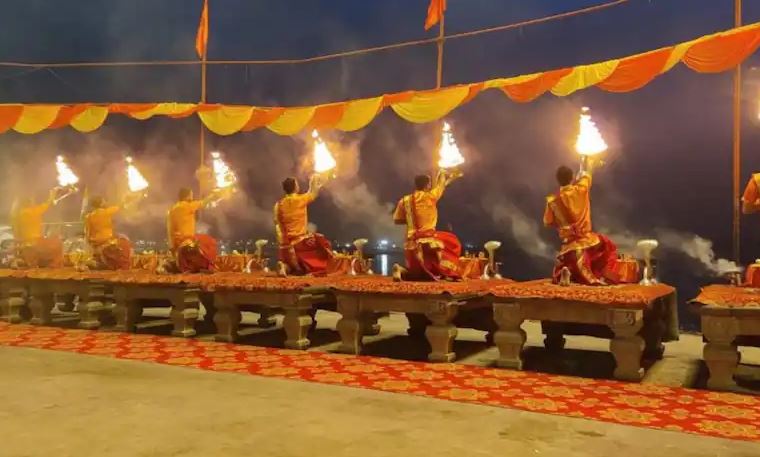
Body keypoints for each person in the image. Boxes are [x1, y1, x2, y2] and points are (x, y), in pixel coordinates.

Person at [544, 164, 624, 285]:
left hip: (569, 245)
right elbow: (586, 175)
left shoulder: (552, 201)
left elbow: (548, 222)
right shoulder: (581, 189)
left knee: (571, 263)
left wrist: (563, 223)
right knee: (607, 246)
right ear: (572, 177)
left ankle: (565, 274)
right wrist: (583, 169)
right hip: (588, 242)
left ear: (558, 180)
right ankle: (603, 276)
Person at [392, 170, 462, 281]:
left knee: (416, 274)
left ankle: (400, 270)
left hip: (411, 242)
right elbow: (441, 186)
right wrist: (443, 174)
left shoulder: (404, 200)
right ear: (427, 185)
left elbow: (397, 220)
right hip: (430, 239)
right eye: (429, 183)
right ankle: (447, 272)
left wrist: (411, 219)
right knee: (452, 242)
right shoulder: (431, 197)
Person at [274, 175, 333, 276]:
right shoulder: (300, 200)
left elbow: (277, 224)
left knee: (294, 268)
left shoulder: (278, 205)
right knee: (321, 241)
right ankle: (313, 267)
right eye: (297, 184)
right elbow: (313, 193)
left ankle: (285, 267)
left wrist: (283, 243)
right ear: (295, 187)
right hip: (299, 245)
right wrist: (313, 180)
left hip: (284, 248)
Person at [167, 187, 224, 273]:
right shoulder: (187, 206)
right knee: (209, 242)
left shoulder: (172, 210)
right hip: (187, 242)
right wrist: (214, 195)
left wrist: (172, 247)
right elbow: (203, 202)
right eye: (191, 195)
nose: (192, 197)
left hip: (175, 244)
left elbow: (170, 230)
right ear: (187, 196)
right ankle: (205, 266)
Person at [11, 189, 65, 268]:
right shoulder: (30, 212)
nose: (34, 202)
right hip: (35, 243)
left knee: (52, 241)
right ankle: (54, 265)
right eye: (32, 200)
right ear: (28, 202)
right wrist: (52, 195)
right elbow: (46, 205)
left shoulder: (18, 214)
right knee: (57, 242)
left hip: (25, 243)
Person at [84, 195, 139, 270]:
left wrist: (91, 244)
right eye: (104, 201)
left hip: (95, 243)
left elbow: (87, 232)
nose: (106, 202)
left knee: (120, 236)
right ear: (101, 203)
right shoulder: (106, 212)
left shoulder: (89, 216)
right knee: (124, 239)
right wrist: (128, 199)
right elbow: (120, 206)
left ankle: (98, 263)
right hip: (106, 241)